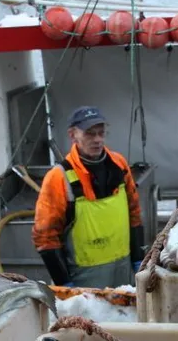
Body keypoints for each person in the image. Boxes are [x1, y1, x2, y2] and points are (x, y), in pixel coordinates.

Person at [31, 106, 144, 288]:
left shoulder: (119, 164)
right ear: (72, 134)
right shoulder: (59, 177)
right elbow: (45, 236)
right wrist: (63, 282)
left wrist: (139, 258)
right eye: (90, 134)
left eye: (101, 133)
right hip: (83, 279)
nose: (98, 139)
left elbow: (134, 214)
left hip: (123, 271)